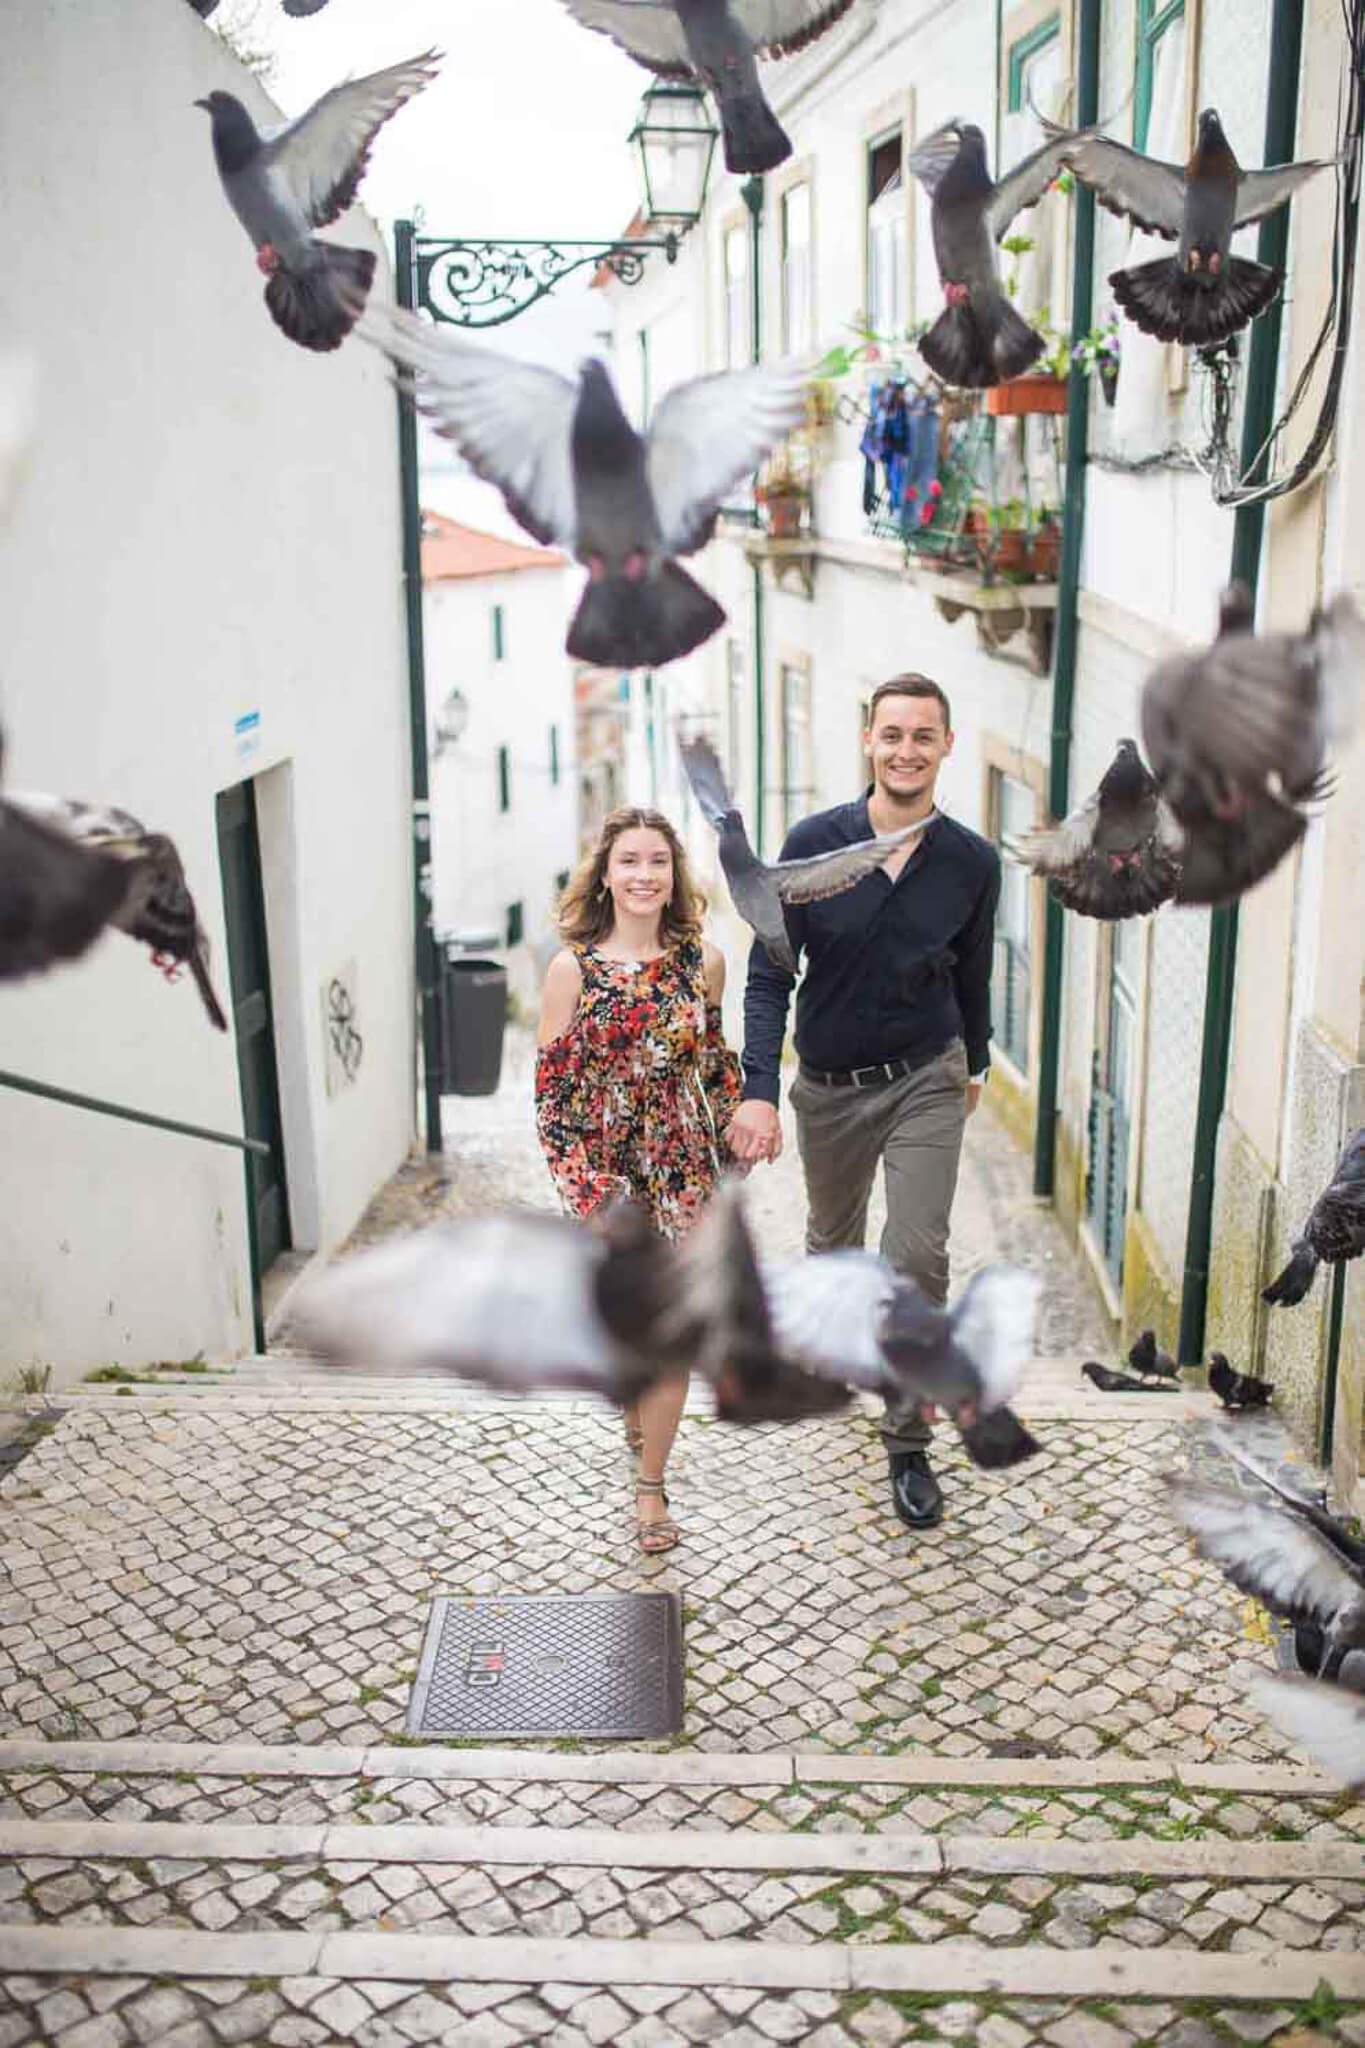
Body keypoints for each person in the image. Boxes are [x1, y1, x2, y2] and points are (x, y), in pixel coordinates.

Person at [728, 674, 1000, 1531]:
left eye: (923, 735)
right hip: (831, 1089)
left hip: (928, 1074)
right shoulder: (813, 845)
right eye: (892, 734)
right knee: (835, 1245)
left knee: (916, 1255)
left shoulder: (969, 862)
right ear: (867, 743)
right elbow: (770, 973)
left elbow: (973, 973)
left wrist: (977, 1064)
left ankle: (907, 1443)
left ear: (946, 745)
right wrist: (759, 1091)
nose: (906, 750)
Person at [536, 805, 742, 1553]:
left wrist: (745, 1120)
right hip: (608, 1180)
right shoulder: (571, 970)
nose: (644, 875)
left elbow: (715, 1070)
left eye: (657, 861)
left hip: (684, 1172)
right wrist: (588, 1199)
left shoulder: (703, 963)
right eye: (629, 861)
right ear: (605, 874)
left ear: (673, 875)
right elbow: (553, 1105)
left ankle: (650, 1488)